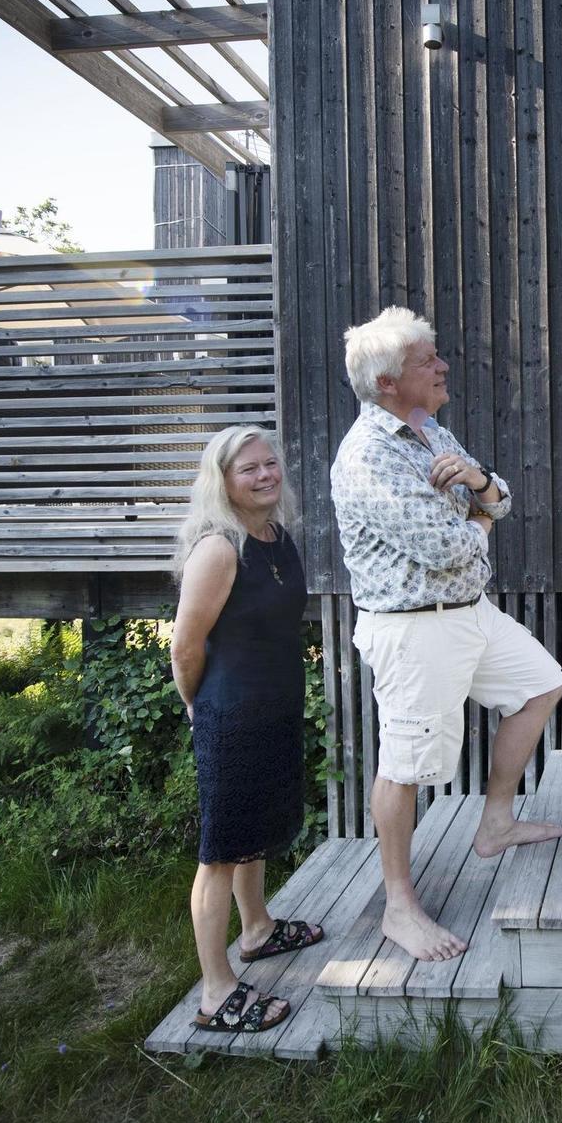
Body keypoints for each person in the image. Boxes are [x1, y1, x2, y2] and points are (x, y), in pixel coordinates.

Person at [330, 306, 562, 963]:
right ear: (386, 383)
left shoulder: (428, 429)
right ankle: (398, 908)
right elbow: (449, 549)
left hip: (467, 612)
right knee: (405, 768)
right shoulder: (369, 456)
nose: (442, 367)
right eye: (426, 361)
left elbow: (498, 498)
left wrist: (478, 483)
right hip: (414, 631)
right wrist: (478, 514)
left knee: (541, 685)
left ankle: (494, 824)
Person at [169, 425, 324, 1033]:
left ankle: (257, 930)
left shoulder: (276, 537)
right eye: (248, 469)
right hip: (231, 716)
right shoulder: (220, 549)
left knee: (254, 832)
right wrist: (198, 707)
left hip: (274, 708)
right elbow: (185, 648)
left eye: (270, 464)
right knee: (221, 854)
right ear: (223, 483)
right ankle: (215, 992)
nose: (265, 475)